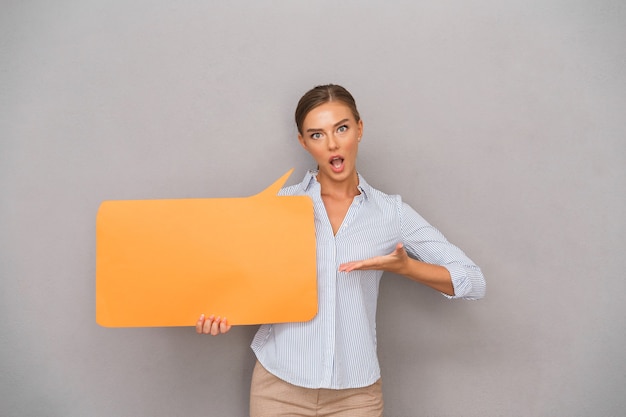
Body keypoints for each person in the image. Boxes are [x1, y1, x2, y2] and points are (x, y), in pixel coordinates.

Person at [196, 84, 486, 416]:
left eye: (342, 128)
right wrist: (218, 313)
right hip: (279, 387)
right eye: (317, 135)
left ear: (359, 129)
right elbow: (235, 278)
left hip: (356, 396)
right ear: (303, 143)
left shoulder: (390, 213)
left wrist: (406, 269)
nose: (333, 143)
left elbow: (473, 281)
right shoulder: (278, 208)